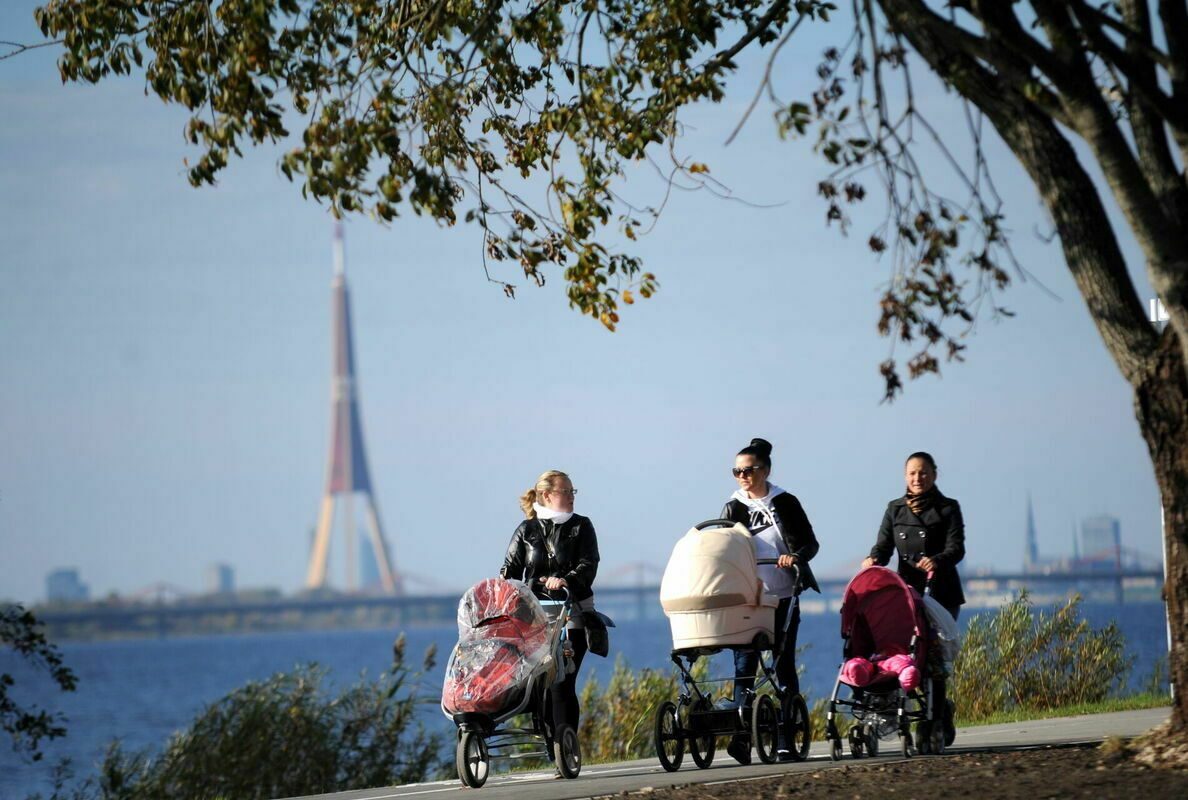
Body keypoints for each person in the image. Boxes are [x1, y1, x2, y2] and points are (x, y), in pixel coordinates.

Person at [719, 438, 820, 764]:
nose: (742, 476)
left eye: (748, 470)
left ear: (765, 470)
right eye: (737, 471)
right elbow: (721, 545)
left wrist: (795, 557)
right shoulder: (733, 507)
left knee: (782, 665)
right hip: (748, 598)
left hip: (783, 594)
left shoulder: (785, 502)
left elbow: (809, 543)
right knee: (744, 666)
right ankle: (741, 737)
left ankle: (784, 738)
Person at [861, 451, 964, 744]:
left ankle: (935, 719)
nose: (917, 478)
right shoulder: (895, 509)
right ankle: (921, 708)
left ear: (934, 474)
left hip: (941, 593)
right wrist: (873, 561)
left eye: (923, 473)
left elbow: (957, 548)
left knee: (932, 657)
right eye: (912, 473)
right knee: (903, 655)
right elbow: (883, 546)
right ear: (905, 476)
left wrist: (939, 560)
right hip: (905, 593)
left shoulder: (948, 508)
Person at [500, 470, 600, 746]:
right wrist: (503, 584)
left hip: (572, 611)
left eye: (572, 491)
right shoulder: (526, 530)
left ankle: (564, 745)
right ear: (547, 495)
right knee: (538, 686)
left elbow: (589, 564)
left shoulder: (581, 526)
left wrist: (565, 579)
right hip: (534, 616)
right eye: (565, 491)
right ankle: (551, 745)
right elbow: (511, 569)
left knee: (561, 681)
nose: (571, 497)